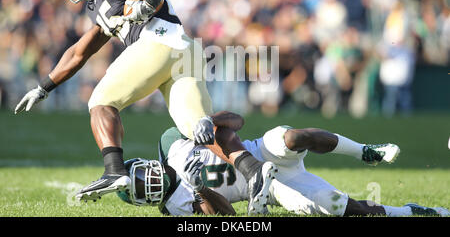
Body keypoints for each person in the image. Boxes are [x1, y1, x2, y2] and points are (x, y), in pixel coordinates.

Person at [13, 0, 275, 214]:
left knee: (101, 102)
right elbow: (79, 52)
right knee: (197, 128)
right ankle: (254, 170)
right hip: (185, 51)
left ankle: (114, 170)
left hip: (157, 44)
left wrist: (151, 0)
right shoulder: (105, 4)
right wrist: (43, 88)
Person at [116, 111, 449, 217]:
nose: (150, 181)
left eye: (142, 175)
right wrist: (201, 188)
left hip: (260, 153)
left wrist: (206, 118)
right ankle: (408, 212)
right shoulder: (174, 208)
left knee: (293, 138)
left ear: (143, 162)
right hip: (268, 190)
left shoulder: (172, 143)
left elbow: (236, 121)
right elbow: (230, 220)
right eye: (143, 188)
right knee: (339, 207)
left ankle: (364, 151)